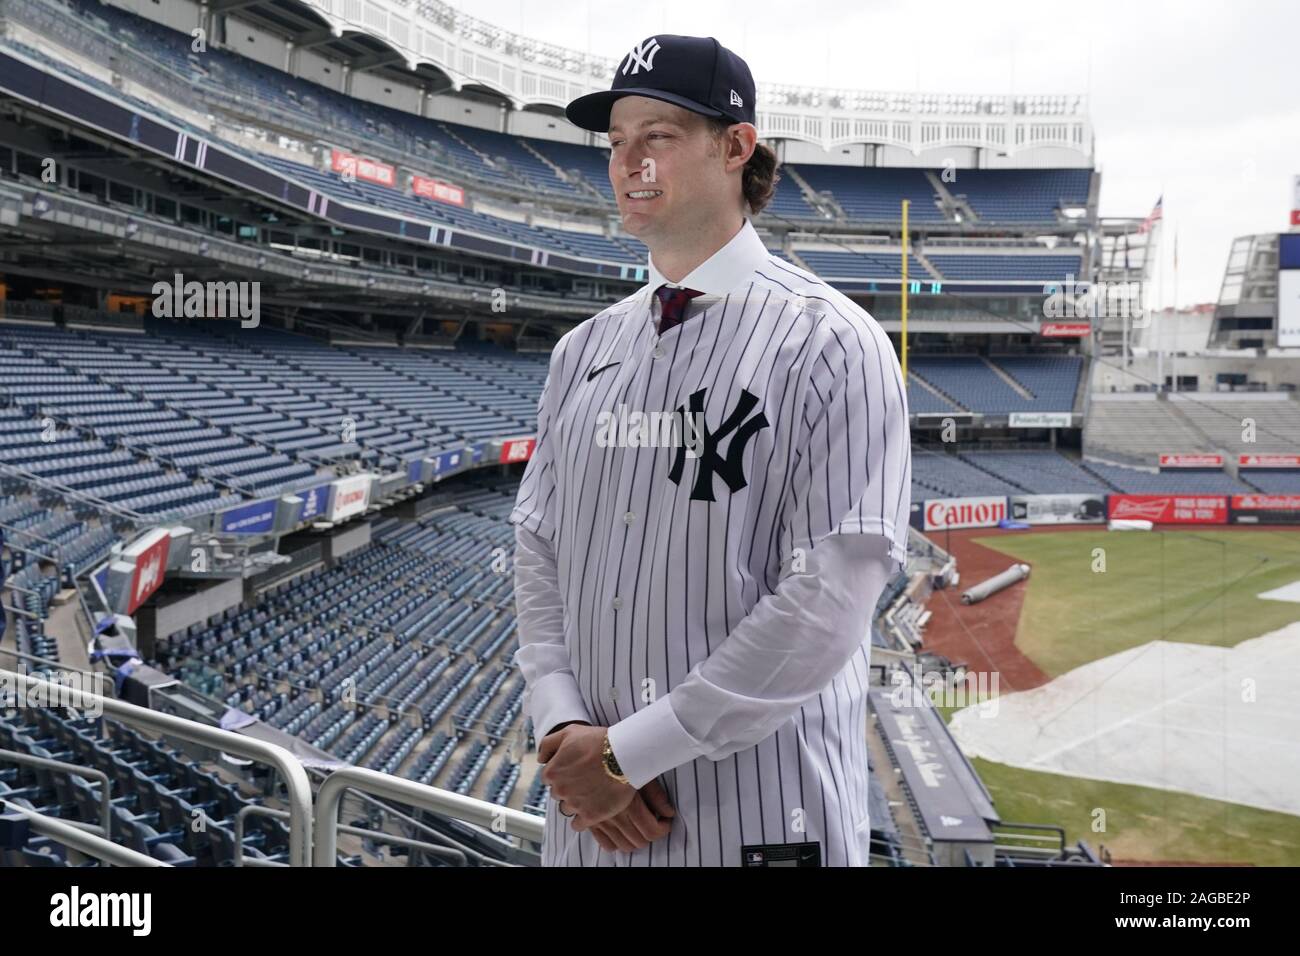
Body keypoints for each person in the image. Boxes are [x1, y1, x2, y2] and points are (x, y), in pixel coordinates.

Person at [511, 34, 911, 866]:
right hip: (588, 822)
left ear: (736, 147)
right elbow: (538, 548)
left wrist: (630, 754)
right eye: (617, 143)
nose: (629, 163)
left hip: (759, 822)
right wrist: (562, 724)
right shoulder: (580, 352)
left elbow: (830, 595)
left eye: (656, 136)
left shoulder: (834, 343)